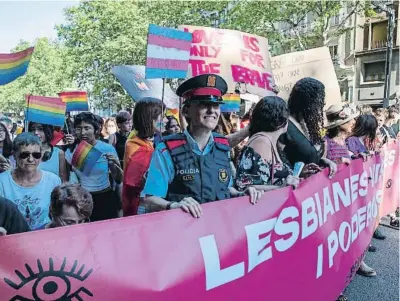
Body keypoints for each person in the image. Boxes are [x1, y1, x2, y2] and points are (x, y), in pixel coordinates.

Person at [142, 74, 262, 218]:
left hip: (218, 230)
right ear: (186, 111)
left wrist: (242, 194)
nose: (212, 111)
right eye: (204, 104)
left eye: (216, 105)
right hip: (182, 232)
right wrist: (173, 205)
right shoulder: (166, 150)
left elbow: (226, 188)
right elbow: (149, 200)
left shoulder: (222, 147)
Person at [235, 96, 301, 193]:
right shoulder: (262, 141)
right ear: (282, 120)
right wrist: (282, 188)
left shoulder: (269, 141)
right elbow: (245, 186)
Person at [65, 112, 122, 222]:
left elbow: (119, 179)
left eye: (87, 128)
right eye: (78, 128)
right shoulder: (71, 151)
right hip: (83, 200)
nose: (83, 132)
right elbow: (66, 180)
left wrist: (114, 165)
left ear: (96, 130)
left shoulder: (107, 148)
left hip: (105, 198)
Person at [0, 133, 61, 229]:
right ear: (14, 155)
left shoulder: (53, 180)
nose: (31, 159)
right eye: (24, 154)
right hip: (13, 237)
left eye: (36, 155)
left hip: (43, 236)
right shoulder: (2, 182)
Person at [279, 77, 337, 178]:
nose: (323, 104)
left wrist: (324, 161)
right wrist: (297, 174)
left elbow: (308, 157)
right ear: (307, 102)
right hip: (293, 189)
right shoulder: (284, 126)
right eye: (318, 101)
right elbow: (277, 164)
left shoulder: (308, 125)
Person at [122, 98, 165, 216]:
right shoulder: (134, 146)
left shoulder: (155, 139)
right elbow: (135, 183)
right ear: (150, 119)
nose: (165, 120)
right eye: (162, 116)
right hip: (141, 206)